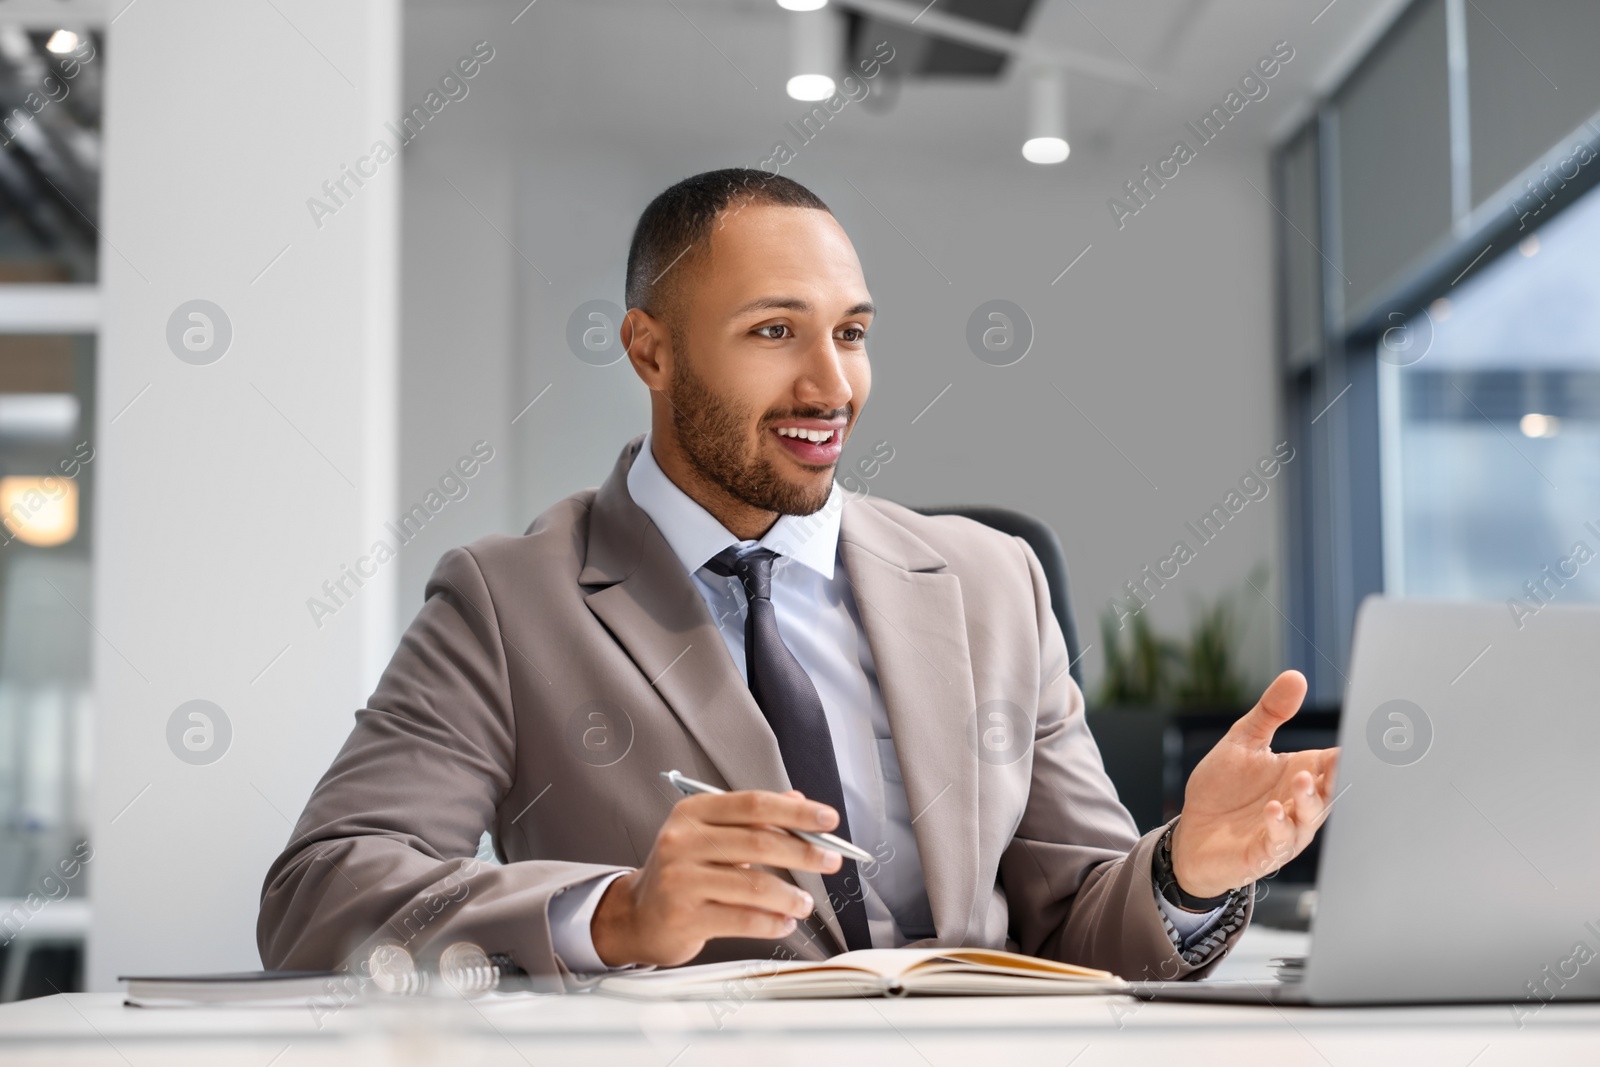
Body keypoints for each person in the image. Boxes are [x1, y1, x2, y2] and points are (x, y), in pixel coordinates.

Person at [258, 168, 1339, 987]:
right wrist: (618, 912)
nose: (831, 384)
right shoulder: (509, 600)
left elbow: (1078, 922)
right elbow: (320, 892)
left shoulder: (991, 579)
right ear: (650, 350)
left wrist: (1186, 867)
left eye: (852, 333)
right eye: (774, 331)